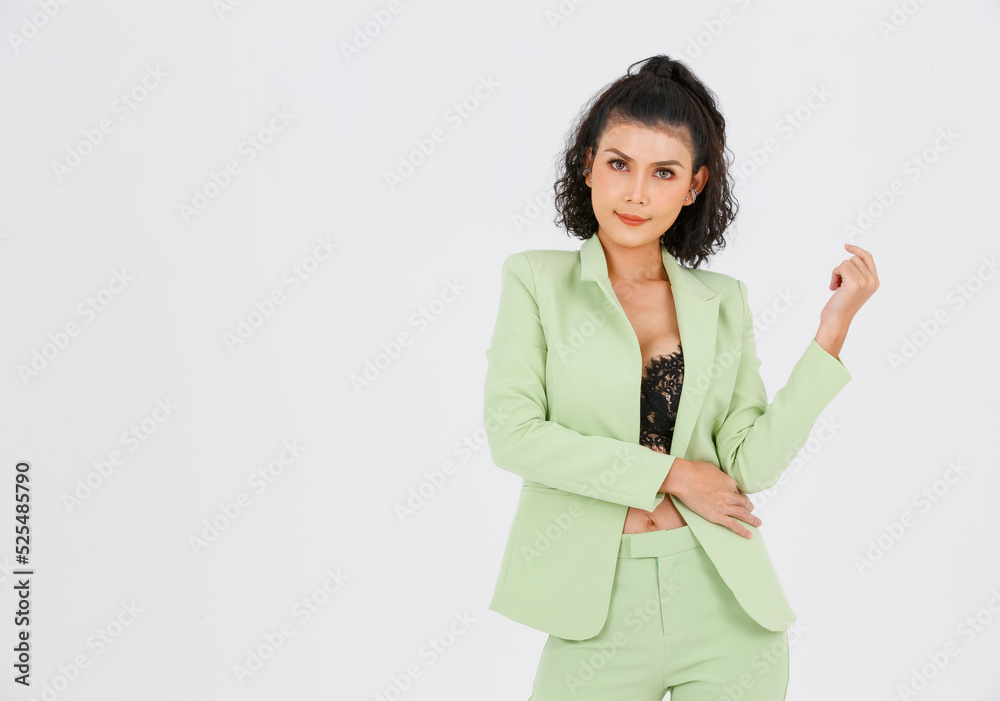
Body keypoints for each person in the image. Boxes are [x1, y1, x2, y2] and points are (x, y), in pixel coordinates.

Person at [482, 54, 879, 700]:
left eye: (662, 172)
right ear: (588, 163)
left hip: (725, 607)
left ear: (694, 184)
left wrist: (830, 333)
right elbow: (515, 435)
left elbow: (749, 465)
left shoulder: (722, 300)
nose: (636, 193)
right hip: (595, 613)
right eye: (618, 164)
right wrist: (670, 473)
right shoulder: (534, 281)